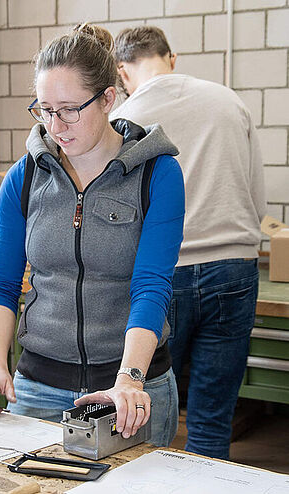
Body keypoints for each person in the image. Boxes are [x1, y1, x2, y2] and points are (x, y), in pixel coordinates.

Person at [0, 23, 185, 447]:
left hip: (130, 391)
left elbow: (151, 286)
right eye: (45, 109)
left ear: (107, 99)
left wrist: (129, 379)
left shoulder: (157, 174)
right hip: (38, 386)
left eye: (70, 109)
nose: (56, 125)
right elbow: (1, 283)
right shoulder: (25, 178)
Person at [111, 26, 266, 460]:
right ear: (171, 58)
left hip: (161, 277)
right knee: (213, 416)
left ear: (122, 72)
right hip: (234, 266)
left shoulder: (123, 118)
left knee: (144, 410)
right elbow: (259, 200)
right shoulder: (228, 100)